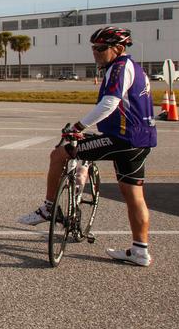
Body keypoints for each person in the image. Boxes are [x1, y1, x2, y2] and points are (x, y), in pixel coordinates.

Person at [18, 26, 156, 266]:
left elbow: (110, 103)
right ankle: (140, 251)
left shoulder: (120, 67)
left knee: (59, 154)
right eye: (93, 47)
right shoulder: (136, 69)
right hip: (140, 139)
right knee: (134, 195)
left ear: (119, 49)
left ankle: (50, 208)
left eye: (101, 48)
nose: (95, 52)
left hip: (121, 139)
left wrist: (79, 127)